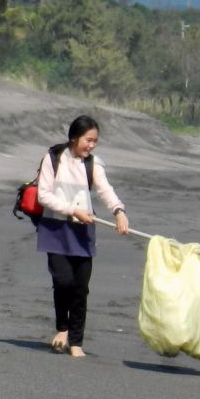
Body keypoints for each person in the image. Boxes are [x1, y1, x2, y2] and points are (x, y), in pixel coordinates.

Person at [34, 114, 128, 358]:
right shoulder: (53, 159)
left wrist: (119, 211)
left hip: (83, 231)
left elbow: (105, 189)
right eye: (89, 140)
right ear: (74, 138)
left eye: (95, 141)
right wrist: (73, 210)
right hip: (55, 229)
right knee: (63, 281)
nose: (92, 145)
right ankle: (62, 329)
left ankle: (76, 342)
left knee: (80, 287)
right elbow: (43, 196)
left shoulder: (93, 164)